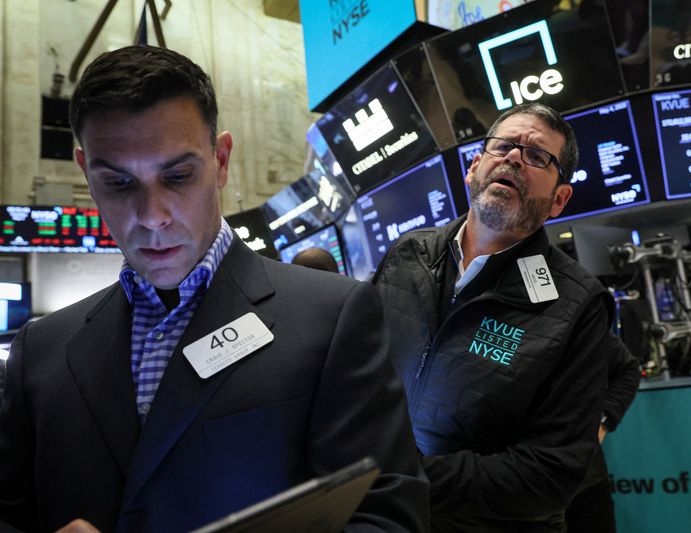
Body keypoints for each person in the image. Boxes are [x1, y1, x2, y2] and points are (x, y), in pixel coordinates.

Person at [0, 45, 428, 533]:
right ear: (86, 173)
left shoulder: (331, 319)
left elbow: (387, 518)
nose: (152, 216)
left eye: (177, 176)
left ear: (220, 160)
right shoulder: (41, 350)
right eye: (118, 184)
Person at [372, 102, 617, 531]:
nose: (514, 158)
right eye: (503, 146)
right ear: (474, 167)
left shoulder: (579, 304)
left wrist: (406, 475)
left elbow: (548, 474)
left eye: (538, 156)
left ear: (559, 200)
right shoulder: (404, 254)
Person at [565, 335, 641, 532]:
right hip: (505, 492)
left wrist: (604, 421)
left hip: (583, 482)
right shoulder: (481, 317)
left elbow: (626, 369)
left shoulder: (572, 312)